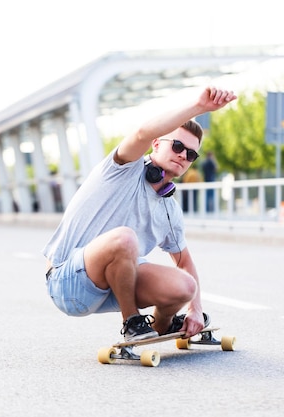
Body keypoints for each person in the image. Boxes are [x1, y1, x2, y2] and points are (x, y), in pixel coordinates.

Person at [42, 86, 237, 342]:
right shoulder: (124, 169)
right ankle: (132, 322)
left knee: (186, 286)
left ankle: (161, 325)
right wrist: (200, 107)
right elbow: (143, 132)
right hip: (66, 281)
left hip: (112, 286)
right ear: (156, 144)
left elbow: (185, 262)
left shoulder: (169, 208)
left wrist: (195, 309)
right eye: (177, 146)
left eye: (190, 154)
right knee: (125, 238)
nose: (182, 155)